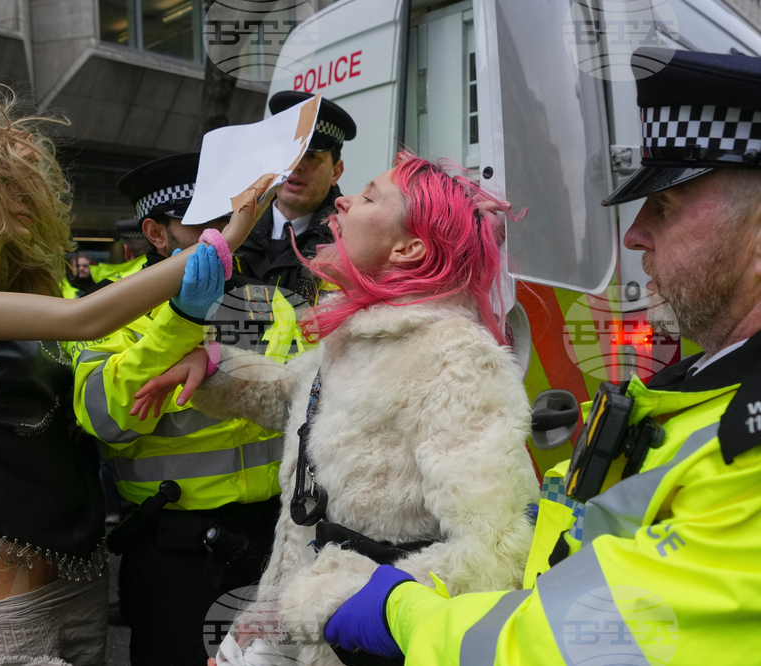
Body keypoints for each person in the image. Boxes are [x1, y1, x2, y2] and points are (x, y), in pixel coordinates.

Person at [320, 48, 761, 666]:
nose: (634, 235)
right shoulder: (702, 384)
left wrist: (405, 611)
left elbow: (581, 642)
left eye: (665, 205)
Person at [0, 89, 271, 666]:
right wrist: (225, 238)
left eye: (30, 183)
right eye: (7, 181)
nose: (28, 197)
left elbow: (100, 376)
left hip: (80, 563)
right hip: (0, 568)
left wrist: (203, 355)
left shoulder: (29, 289)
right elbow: (86, 319)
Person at [135, 152, 539, 666]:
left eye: (369, 196)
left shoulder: (455, 359)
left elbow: (499, 552)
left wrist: (339, 600)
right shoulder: (362, 333)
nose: (343, 201)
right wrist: (213, 367)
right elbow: (302, 405)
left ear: (409, 248)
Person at [68, 152, 294, 666]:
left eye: (228, 219)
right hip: (175, 549)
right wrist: (180, 324)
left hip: (271, 537)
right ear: (155, 232)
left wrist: (217, 362)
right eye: (204, 225)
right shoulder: (109, 307)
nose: (225, 235)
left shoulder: (271, 302)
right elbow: (104, 419)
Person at [231, 91, 356, 305]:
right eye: (291, 153)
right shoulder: (233, 221)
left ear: (336, 172)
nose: (297, 166)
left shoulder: (349, 237)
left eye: (312, 156)